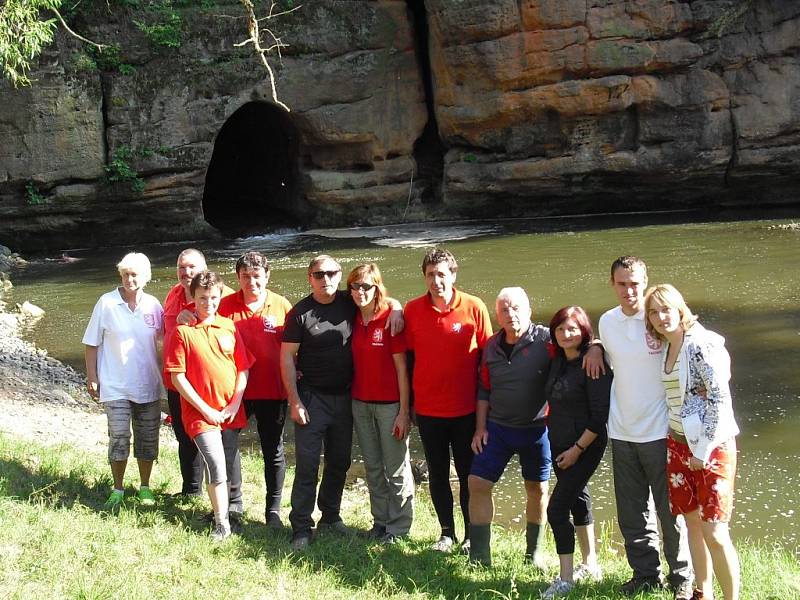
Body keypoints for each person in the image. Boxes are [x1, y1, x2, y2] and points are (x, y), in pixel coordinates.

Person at [598, 256, 693, 599]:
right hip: (621, 431)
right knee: (631, 512)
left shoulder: (659, 318)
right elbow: (607, 352)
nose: (629, 290)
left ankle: (681, 577)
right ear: (612, 284)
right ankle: (645, 574)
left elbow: (693, 338)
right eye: (622, 284)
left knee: (671, 512)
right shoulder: (607, 323)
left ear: (645, 281)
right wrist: (595, 346)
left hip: (661, 433)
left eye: (635, 283)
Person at [645, 284, 740, 600]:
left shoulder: (699, 344)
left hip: (711, 447)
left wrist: (702, 450)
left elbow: (719, 397)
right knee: (692, 525)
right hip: (678, 444)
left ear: (680, 309)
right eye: (654, 312)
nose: (661, 317)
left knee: (715, 531)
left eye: (666, 309)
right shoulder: (666, 346)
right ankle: (704, 592)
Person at [403, 247, 492, 553]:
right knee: (438, 473)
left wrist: (488, 406)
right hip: (429, 410)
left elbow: (488, 357)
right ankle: (446, 533)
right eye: (430, 275)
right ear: (424, 277)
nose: (436, 281)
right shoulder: (412, 310)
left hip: (467, 409)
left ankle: (470, 534)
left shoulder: (474, 307)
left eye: (441, 274)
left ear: (453, 275)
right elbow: (409, 359)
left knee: (468, 474)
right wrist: (410, 404)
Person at [165, 271, 254, 541]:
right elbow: (177, 377)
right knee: (215, 463)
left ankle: (229, 512)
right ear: (193, 297)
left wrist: (236, 402)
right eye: (202, 298)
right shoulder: (182, 332)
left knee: (227, 462)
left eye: (213, 297)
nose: (208, 303)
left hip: (229, 409)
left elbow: (243, 368)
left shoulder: (228, 327)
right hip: (200, 413)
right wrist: (206, 409)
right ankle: (221, 523)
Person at [218, 251, 293, 529]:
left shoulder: (282, 305)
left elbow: (296, 347)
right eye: (246, 276)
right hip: (234, 390)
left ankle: (273, 510)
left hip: (273, 389)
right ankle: (234, 503)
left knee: (273, 449)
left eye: (257, 276)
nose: (251, 282)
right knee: (228, 444)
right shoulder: (224, 306)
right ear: (238, 277)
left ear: (267, 276)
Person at [83, 252, 163, 510]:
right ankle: (117, 488)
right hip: (115, 384)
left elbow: (168, 341)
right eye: (126, 274)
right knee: (118, 437)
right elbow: (91, 343)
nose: (130, 279)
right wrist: (92, 377)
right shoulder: (106, 303)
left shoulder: (154, 306)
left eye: (135, 274)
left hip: (149, 383)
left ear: (146, 277)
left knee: (147, 438)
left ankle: (144, 487)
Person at [542, 306, 611, 598]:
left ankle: (566, 579)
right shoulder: (557, 359)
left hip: (586, 445)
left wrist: (577, 450)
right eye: (560, 329)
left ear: (584, 331)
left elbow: (599, 416)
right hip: (559, 443)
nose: (566, 334)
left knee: (556, 509)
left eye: (572, 329)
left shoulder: (593, 364)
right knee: (578, 500)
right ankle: (590, 563)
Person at [347, 263, 413, 544]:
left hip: (389, 406)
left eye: (366, 286)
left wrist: (403, 412)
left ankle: (398, 528)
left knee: (396, 467)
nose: (360, 292)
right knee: (373, 466)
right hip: (360, 403)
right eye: (355, 286)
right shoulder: (349, 315)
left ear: (377, 287)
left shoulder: (390, 317)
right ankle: (380, 521)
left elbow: (402, 370)